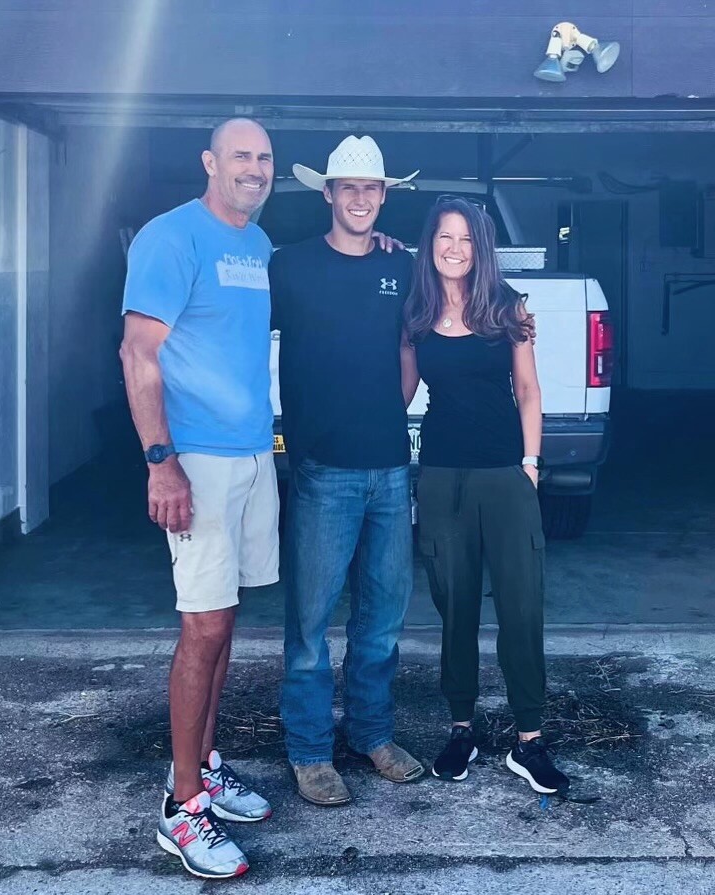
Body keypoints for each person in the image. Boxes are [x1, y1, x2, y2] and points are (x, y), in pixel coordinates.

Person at [120, 119, 278, 880]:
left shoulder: (257, 244)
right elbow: (137, 352)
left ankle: (206, 766)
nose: (255, 168)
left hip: (252, 452)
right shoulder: (170, 237)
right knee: (202, 626)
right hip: (198, 460)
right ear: (211, 162)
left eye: (265, 158)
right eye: (242, 156)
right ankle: (181, 807)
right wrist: (162, 462)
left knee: (224, 619)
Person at [270, 135, 425, 807]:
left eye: (372, 189)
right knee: (309, 624)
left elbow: (412, 345)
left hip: (391, 469)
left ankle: (371, 734)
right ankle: (308, 751)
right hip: (321, 472)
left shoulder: (404, 266)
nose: (360, 199)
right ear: (327, 194)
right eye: (348, 188)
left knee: (382, 620)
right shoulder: (289, 266)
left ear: (384, 196)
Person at [401, 197, 569, 794]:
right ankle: (462, 727)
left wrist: (529, 464)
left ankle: (529, 740)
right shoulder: (416, 314)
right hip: (443, 478)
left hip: (505, 474)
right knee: (456, 608)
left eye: (467, 238)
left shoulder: (508, 308)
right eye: (444, 237)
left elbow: (528, 388)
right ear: (430, 245)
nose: (454, 247)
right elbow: (400, 394)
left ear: (482, 248)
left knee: (522, 607)